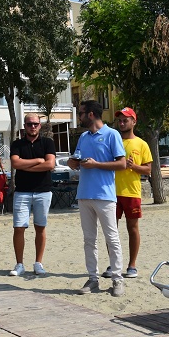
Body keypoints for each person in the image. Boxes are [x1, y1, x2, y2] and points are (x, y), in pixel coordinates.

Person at [67, 99, 126, 297]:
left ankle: (117, 279)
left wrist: (96, 164)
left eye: (81, 113)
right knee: (89, 240)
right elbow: (77, 159)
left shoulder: (112, 134)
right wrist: (72, 163)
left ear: (91, 114)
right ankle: (93, 279)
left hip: (104, 195)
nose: (79, 117)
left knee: (112, 239)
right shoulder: (83, 137)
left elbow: (122, 164)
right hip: (84, 194)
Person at [103, 107, 151, 279]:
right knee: (111, 230)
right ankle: (113, 264)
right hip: (110, 192)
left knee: (132, 228)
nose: (122, 123)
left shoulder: (141, 144)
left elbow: (148, 169)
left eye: (125, 120)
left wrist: (134, 166)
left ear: (134, 122)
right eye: (120, 121)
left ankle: (132, 265)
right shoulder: (112, 140)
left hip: (132, 192)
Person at [8, 113, 56, 276]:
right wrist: (38, 161)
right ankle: (19, 264)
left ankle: (38, 263)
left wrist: (26, 166)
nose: (33, 127)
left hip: (43, 191)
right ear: (25, 126)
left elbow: (50, 164)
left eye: (35, 124)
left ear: (40, 126)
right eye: (29, 124)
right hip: (22, 191)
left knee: (40, 227)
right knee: (19, 227)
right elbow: (15, 163)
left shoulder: (47, 143)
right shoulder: (17, 144)